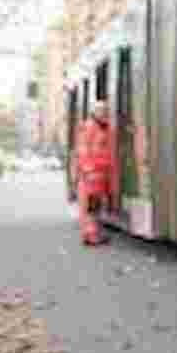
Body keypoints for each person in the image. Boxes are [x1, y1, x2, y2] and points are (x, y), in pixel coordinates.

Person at [74, 100, 114, 245]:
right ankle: (90, 235)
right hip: (91, 176)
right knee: (91, 206)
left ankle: (93, 234)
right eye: (101, 111)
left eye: (105, 111)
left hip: (99, 176)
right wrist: (88, 169)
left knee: (95, 206)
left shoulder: (103, 127)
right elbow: (83, 150)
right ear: (95, 112)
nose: (104, 113)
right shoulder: (90, 127)